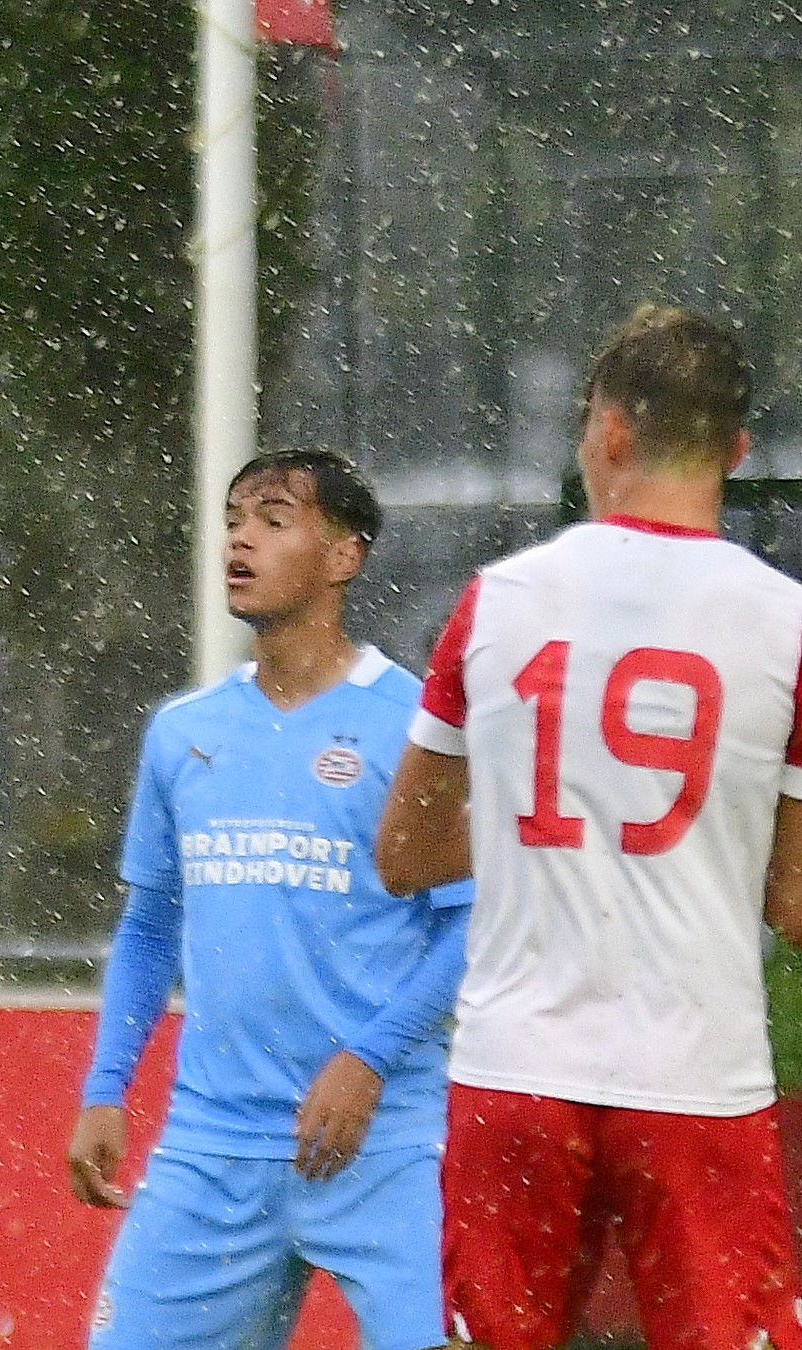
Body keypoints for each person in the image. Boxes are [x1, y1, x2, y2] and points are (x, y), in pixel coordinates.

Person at [377, 304, 802, 1350]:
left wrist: (547, 815)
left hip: (517, 1079)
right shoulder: (787, 624)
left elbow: (404, 854)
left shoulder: (496, 601)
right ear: (736, 449)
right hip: (697, 1086)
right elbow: (791, 899)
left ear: (607, 432)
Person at [64, 450, 468, 1350]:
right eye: (235, 518)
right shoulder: (185, 733)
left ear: (343, 555)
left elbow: (470, 924)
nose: (240, 538)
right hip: (213, 1145)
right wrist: (105, 1088)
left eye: (275, 519)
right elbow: (151, 923)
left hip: (386, 1145)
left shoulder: (415, 729)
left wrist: (369, 1057)